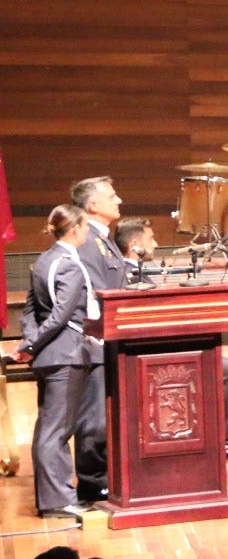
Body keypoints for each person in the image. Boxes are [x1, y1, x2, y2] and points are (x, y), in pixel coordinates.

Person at [112, 220, 228, 457]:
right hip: (146, 350)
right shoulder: (124, 274)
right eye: (151, 239)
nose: (156, 245)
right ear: (135, 245)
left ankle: (217, 437)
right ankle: (225, 439)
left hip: (164, 340)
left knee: (224, 366)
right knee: (226, 370)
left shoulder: (147, 268)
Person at [14, 204, 106, 518]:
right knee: (56, 432)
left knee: (50, 429)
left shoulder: (43, 261)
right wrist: (31, 346)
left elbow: (30, 312)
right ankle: (57, 501)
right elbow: (60, 316)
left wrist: (30, 343)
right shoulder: (69, 264)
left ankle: (54, 498)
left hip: (50, 355)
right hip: (66, 354)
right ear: (77, 228)